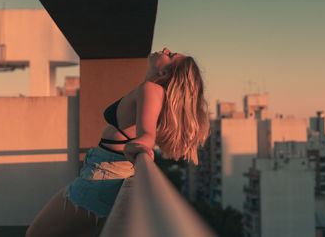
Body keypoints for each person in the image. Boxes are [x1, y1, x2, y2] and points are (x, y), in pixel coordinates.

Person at [26, 47, 210, 237]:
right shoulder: (149, 90)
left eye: (170, 55)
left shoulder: (151, 90)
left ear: (165, 73)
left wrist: (140, 146)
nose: (165, 49)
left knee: (36, 233)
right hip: (101, 175)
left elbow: (146, 135)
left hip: (102, 179)